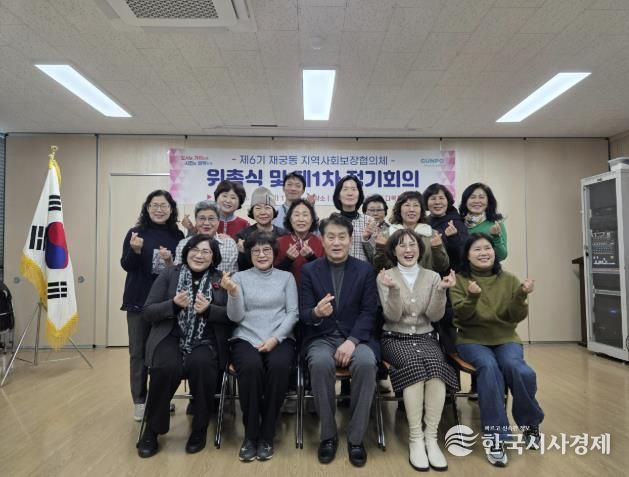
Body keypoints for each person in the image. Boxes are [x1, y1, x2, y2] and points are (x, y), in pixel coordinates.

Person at [451, 233, 543, 467]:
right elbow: (462, 316)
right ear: (467, 255)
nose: (484, 253)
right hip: (472, 339)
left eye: (487, 248)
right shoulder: (459, 280)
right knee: (489, 368)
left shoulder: (509, 279)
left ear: (494, 252)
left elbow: (515, 316)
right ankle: (496, 437)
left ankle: (530, 424)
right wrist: (472, 297)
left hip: (506, 337)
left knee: (519, 369)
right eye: (477, 249)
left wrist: (521, 295)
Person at [137, 235, 231, 457]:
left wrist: (209, 310)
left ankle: (199, 429)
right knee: (165, 368)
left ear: (214, 257)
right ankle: (152, 430)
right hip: (170, 336)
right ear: (186, 252)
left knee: (202, 366)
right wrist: (172, 305)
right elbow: (148, 311)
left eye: (206, 252)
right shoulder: (169, 274)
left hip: (205, 340)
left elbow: (232, 316)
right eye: (195, 250)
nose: (199, 255)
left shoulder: (221, 279)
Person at [299, 213, 378, 467]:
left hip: (356, 338)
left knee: (366, 363)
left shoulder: (365, 270)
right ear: (322, 240)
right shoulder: (309, 270)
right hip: (321, 337)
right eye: (331, 237)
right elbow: (303, 313)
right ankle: (328, 435)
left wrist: (352, 341)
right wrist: (316, 312)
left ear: (350, 239)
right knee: (320, 364)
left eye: (342, 237)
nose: (336, 242)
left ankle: (356, 438)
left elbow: (369, 312)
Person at [377, 229, 458, 471]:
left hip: (426, 337)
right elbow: (392, 316)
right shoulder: (385, 276)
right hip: (394, 338)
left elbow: (435, 315)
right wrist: (393, 290)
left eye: (412, 244)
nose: (408, 249)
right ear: (393, 251)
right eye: (401, 245)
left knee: (437, 368)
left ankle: (430, 438)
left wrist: (442, 290)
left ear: (420, 249)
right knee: (414, 367)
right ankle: (415, 438)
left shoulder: (433, 277)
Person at [221, 232, 298, 462]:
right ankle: (251, 434)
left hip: (279, 337)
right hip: (246, 337)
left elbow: (293, 313)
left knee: (279, 366)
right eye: (256, 251)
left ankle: (267, 434)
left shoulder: (286, 277)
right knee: (251, 368)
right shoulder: (239, 277)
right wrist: (233, 293)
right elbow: (235, 317)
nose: (261, 255)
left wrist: (275, 338)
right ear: (249, 254)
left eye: (266, 250)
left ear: (274, 253)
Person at [120, 189, 184, 422]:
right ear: (147, 209)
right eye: (154, 205)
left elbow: (178, 271)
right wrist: (135, 250)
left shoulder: (177, 235)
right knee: (138, 353)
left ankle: (159, 399)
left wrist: (169, 262)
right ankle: (140, 401)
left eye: (164, 205)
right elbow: (126, 265)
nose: (159, 209)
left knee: (160, 353)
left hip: (165, 303)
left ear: (171, 209)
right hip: (138, 300)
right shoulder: (135, 233)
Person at [374, 191, 449, 274]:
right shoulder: (387, 235)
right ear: (399, 209)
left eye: (416, 205)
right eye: (407, 205)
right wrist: (380, 249)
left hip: (426, 281)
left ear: (421, 210)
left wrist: (437, 249)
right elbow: (380, 268)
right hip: (394, 281)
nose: (411, 209)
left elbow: (442, 267)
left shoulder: (432, 234)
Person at [174, 200, 238, 275]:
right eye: (202, 218)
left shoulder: (229, 244)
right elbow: (177, 273)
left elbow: (232, 275)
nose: (206, 223)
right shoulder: (183, 244)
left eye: (211, 218)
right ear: (196, 220)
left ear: (218, 221)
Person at [236, 187, 287, 271]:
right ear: (252, 211)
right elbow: (241, 268)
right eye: (258, 208)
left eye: (267, 207)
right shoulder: (243, 235)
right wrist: (242, 253)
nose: (263, 212)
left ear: (273, 211)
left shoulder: (284, 234)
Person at [275, 198, 324, 285]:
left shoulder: (321, 243)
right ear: (290, 219)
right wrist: (288, 260)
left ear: (312, 219)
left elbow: (325, 274)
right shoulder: (279, 242)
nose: (301, 219)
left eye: (305, 215)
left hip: (314, 291)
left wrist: (311, 257)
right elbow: (273, 275)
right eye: (296, 215)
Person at [423, 183, 468, 273]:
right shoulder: (423, 223)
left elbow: (463, 254)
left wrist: (453, 237)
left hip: (451, 275)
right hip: (427, 274)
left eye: (441, 198)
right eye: (433, 198)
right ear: (426, 202)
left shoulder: (457, 223)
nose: (437, 202)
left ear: (447, 201)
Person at [332, 175, 376, 263]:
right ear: (338, 196)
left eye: (354, 189)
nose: (350, 193)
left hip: (362, 271)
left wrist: (366, 238)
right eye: (345, 189)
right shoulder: (331, 222)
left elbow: (374, 258)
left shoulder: (369, 221)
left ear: (359, 194)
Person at [459, 183, 507, 262]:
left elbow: (502, 256)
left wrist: (496, 237)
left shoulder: (495, 223)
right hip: (462, 268)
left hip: (488, 269)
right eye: (472, 197)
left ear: (488, 201)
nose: (477, 201)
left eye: (481, 197)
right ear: (465, 201)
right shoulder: (458, 223)